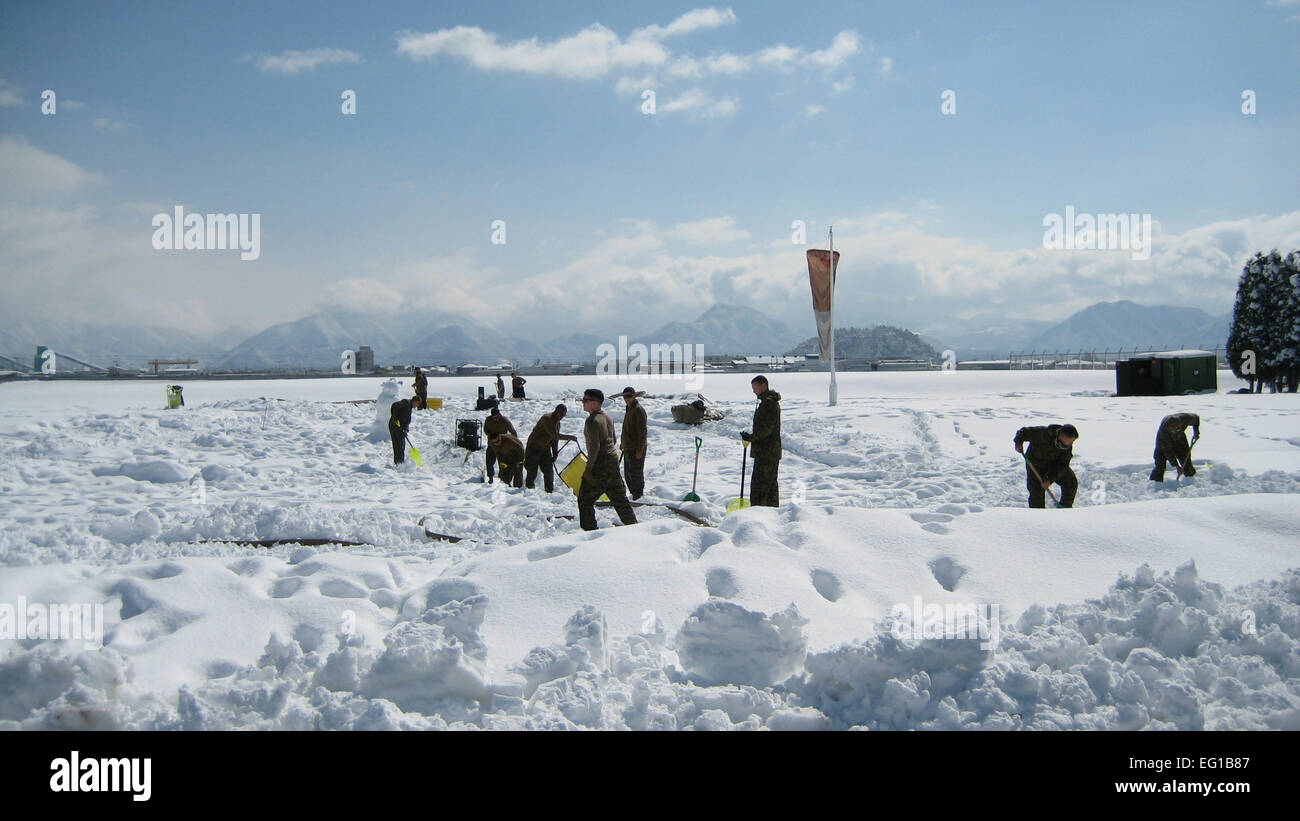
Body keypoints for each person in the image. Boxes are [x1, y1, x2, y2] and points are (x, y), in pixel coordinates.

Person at [577, 388, 637, 530]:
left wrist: (589, 470)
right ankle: (635, 528)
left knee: (585, 501)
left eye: (586, 400)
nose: (583, 403)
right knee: (619, 499)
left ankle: (589, 534)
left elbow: (594, 448)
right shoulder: (607, 417)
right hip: (612, 461)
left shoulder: (592, 421)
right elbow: (614, 440)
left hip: (600, 463)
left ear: (596, 403)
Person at [1014, 423, 1079, 508]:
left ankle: (1065, 509)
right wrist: (1018, 443)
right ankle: (1039, 517)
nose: (1071, 443)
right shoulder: (1043, 433)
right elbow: (1023, 432)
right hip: (1035, 465)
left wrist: (1050, 479)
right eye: (1070, 440)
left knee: (1071, 482)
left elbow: (1063, 465)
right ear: (1062, 436)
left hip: (1053, 466)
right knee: (1036, 492)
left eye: (1073, 441)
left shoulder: (1067, 447)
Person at [740, 375, 781, 506]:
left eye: (755, 388)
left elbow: (767, 429)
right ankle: (767, 510)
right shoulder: (765, 402)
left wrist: (752, 438)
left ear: (764, 386)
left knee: (763, 485)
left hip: (767, 452)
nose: (754, 391)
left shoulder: (769, 403)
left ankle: (761, 511)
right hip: (765, 451)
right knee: (766, 485)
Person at [525, 403, 578, 492]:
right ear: (556, 411)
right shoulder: (547, 418)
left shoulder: (558, 423)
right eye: (561, 414)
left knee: (549, 472)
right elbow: (555, 435)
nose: (562, 417)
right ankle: (529, 491)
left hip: (545, 449)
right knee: (532, 471)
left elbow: (554, 439)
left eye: (564, 415)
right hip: (533, 448)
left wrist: (555, 453)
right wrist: (569, 437)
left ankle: (549, 491)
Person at [1150, 413, 1201, 481]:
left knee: (1186, 464)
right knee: (1160, 465)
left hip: (1180, 440)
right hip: (1163, 444)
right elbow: (1168, 452)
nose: (1175, 432)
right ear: (1168, 428)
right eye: (1173, 430)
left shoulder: (1185, 419)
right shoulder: (1163, 432)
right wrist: (1176, 466)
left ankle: (1191, 479)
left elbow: (1196, 418)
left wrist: (1196, 432)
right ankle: (1156, 483)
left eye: (1177, 429)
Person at [620, 386, 648, 500]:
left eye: (629, 396)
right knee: (628, 474)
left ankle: (639, 495)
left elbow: (642, 432)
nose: (626, 399)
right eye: (625, 396)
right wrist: (623, 443)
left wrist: (640, 450)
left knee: (636, 473)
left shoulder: (638, 410)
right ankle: (634, 494)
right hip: (628, 447)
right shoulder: (629, 408)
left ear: (634, 396)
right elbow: (627, 429)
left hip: (636, 448)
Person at [482, 403, 517, 484]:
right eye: (494, 417)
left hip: (502, 445)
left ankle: (503, 478)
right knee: (489, 462)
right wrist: (491, 435)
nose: (496, 418)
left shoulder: (505, 420)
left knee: (503, 462)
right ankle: (490, 477)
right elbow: (485, 430)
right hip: (491, 444)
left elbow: (513, 431)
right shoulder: (488, 420)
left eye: (497, 416)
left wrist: (514, 442)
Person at [388, 396, 415, 464]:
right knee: (397, 444)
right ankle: (398, 462)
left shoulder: (410, 408)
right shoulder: (406, 402)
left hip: (400, 428)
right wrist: (394, 416)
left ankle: (400, 462)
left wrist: (406, 429)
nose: (416, 406)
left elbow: (407, 421)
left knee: (401, 445)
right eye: (417, 404)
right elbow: (395, 405)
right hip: (394, 425)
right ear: (415, 401)